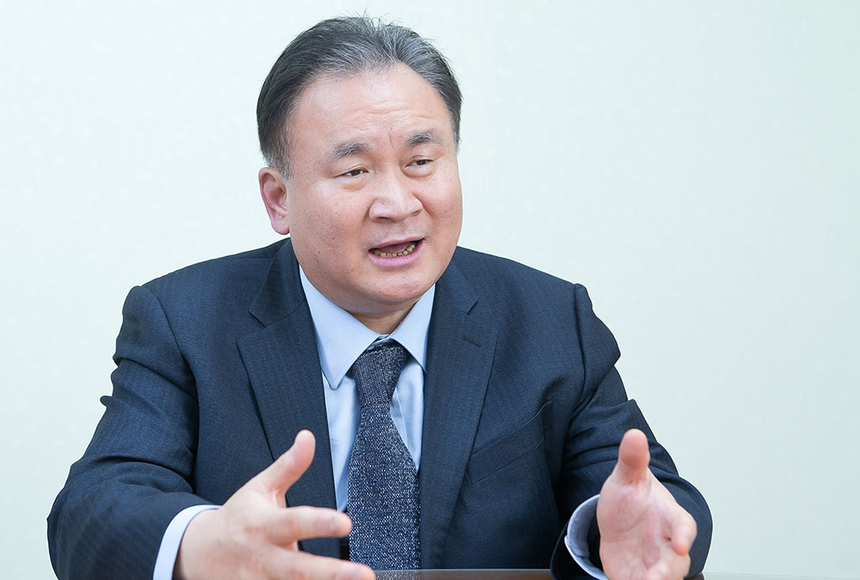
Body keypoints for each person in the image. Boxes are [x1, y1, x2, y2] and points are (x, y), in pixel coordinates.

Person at [48, 16, 712, 580]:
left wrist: (609, 532)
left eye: (421, 162)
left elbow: (652, 503)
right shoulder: (184, 322)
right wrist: (201, 544)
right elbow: (92, 512)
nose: (397, 203)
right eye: (354, 170)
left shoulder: (551, 322)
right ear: (279, 199)